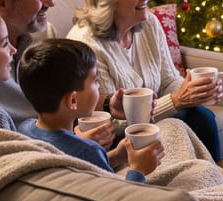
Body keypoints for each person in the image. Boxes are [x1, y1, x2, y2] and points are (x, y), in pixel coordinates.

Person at [67, 0, 223, 160]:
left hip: (150, 121)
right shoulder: (87, 45)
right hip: (113, 136)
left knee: (201, 115)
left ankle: (213, 177)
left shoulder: (149, 24)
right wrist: (176, 101)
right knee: (196, 119)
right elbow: (111, 124)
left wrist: (195, 92)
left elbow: (168, 80)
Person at [17, 38, 163, 183]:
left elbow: (83, 166)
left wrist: (116, 156)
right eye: (95, 81)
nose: (99, 87)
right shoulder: (89, 150)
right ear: (73, 100)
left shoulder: (24, 130)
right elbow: (117, 200)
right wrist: (138, 170)